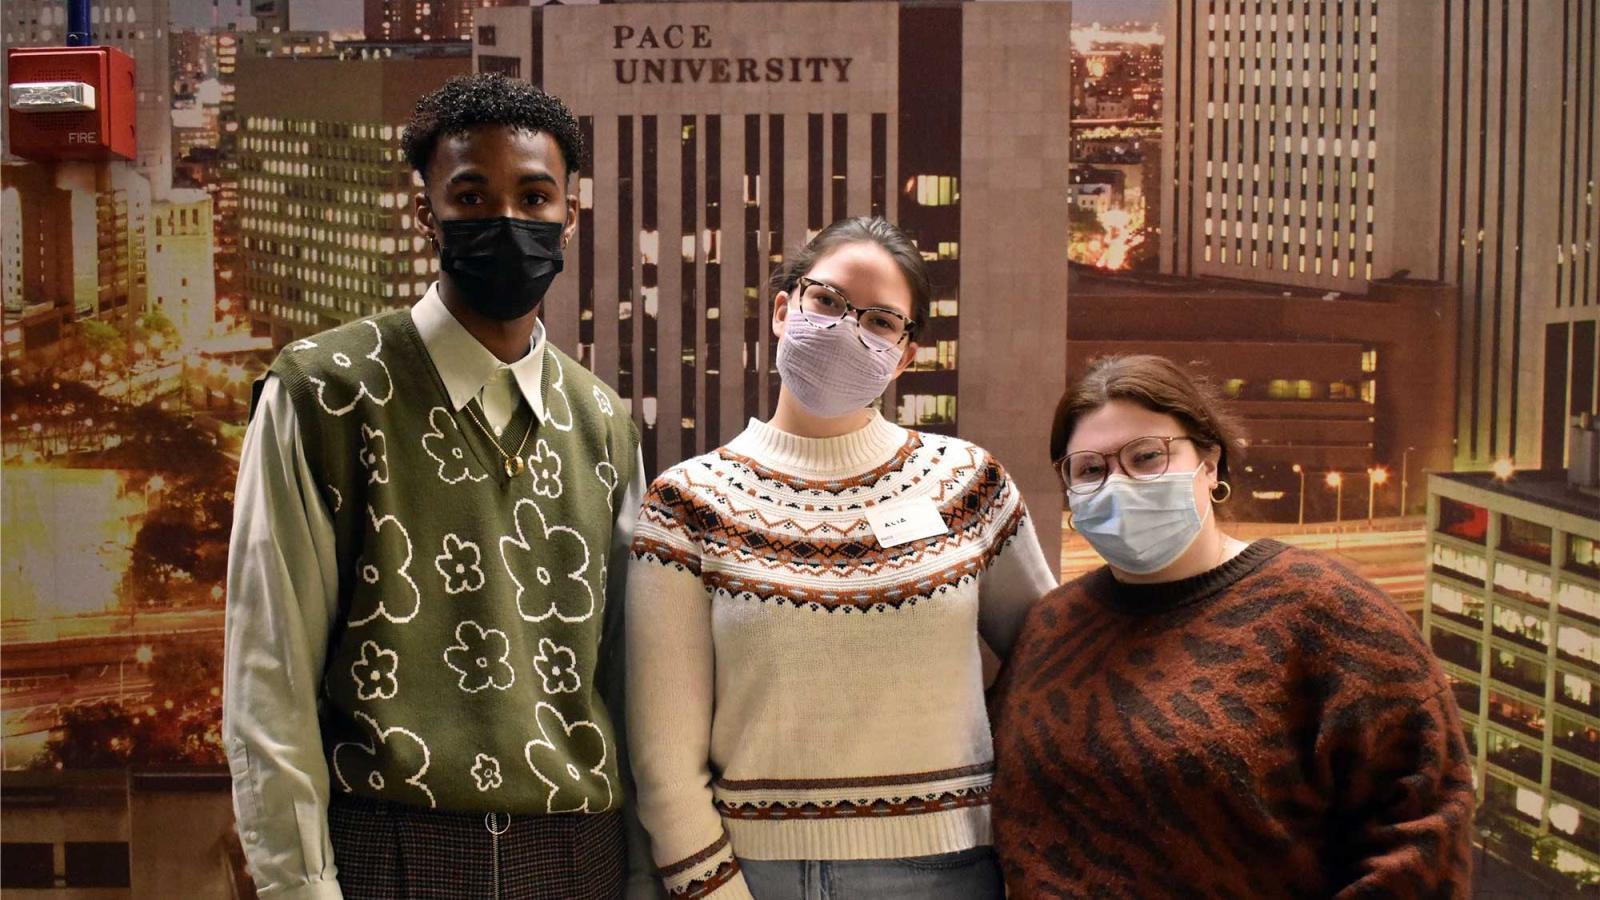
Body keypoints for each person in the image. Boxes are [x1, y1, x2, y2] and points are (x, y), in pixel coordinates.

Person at [223, 73, 654, 899]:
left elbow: (625, 679)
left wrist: (640, 874)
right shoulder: (324, 392)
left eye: (535, 197)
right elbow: (267, 675)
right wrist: (299, 886)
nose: (510, 221)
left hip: (574, 854)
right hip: (388, 848)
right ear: (426, 214)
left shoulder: (603, 422)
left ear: (571, 212)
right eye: (472, 195)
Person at [625, 216, 1059, 899]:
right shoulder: (687, 501)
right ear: (782, 307)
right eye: (827, 302)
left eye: (882, 321)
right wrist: (712, 888)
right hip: (758, 876)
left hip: (952, 872)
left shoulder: (967, 484)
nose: (846, 328)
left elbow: (1057, 664)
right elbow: (663, 761)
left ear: (906, 354)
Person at [989, 354, 1475, 898]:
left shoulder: (1330, 614)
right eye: (1090, 470)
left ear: (1211, 464)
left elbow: (1423, 842)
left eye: (1146, 457)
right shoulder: (1051, 628)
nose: (1118, 484)